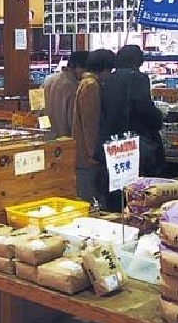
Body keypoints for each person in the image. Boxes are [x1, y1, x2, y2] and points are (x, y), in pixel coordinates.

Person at [98, 45, 165, 211]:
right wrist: (159, 117)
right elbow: (144, 109)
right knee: (137, 191)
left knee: (117, 188)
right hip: (134, 143)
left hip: (112, 142)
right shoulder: (137, 77)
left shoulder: (108, 79)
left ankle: (115, 218)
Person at [72, 49, 116, 203]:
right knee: (90, 197)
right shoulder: (91, 86)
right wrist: (93, 154)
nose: (110, 74)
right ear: (103, 68)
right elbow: (90, 123)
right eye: (110, 70)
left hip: (85, 152)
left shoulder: (87, 83)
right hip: (87, 155)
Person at [42, 51, 89, 137]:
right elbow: (73, 120)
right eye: (86, 70)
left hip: (46, 136)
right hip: (66, 139)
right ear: (78, 67)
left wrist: (45, 128)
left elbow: (37, 109)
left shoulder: (47, 80)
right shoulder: (73, 87)